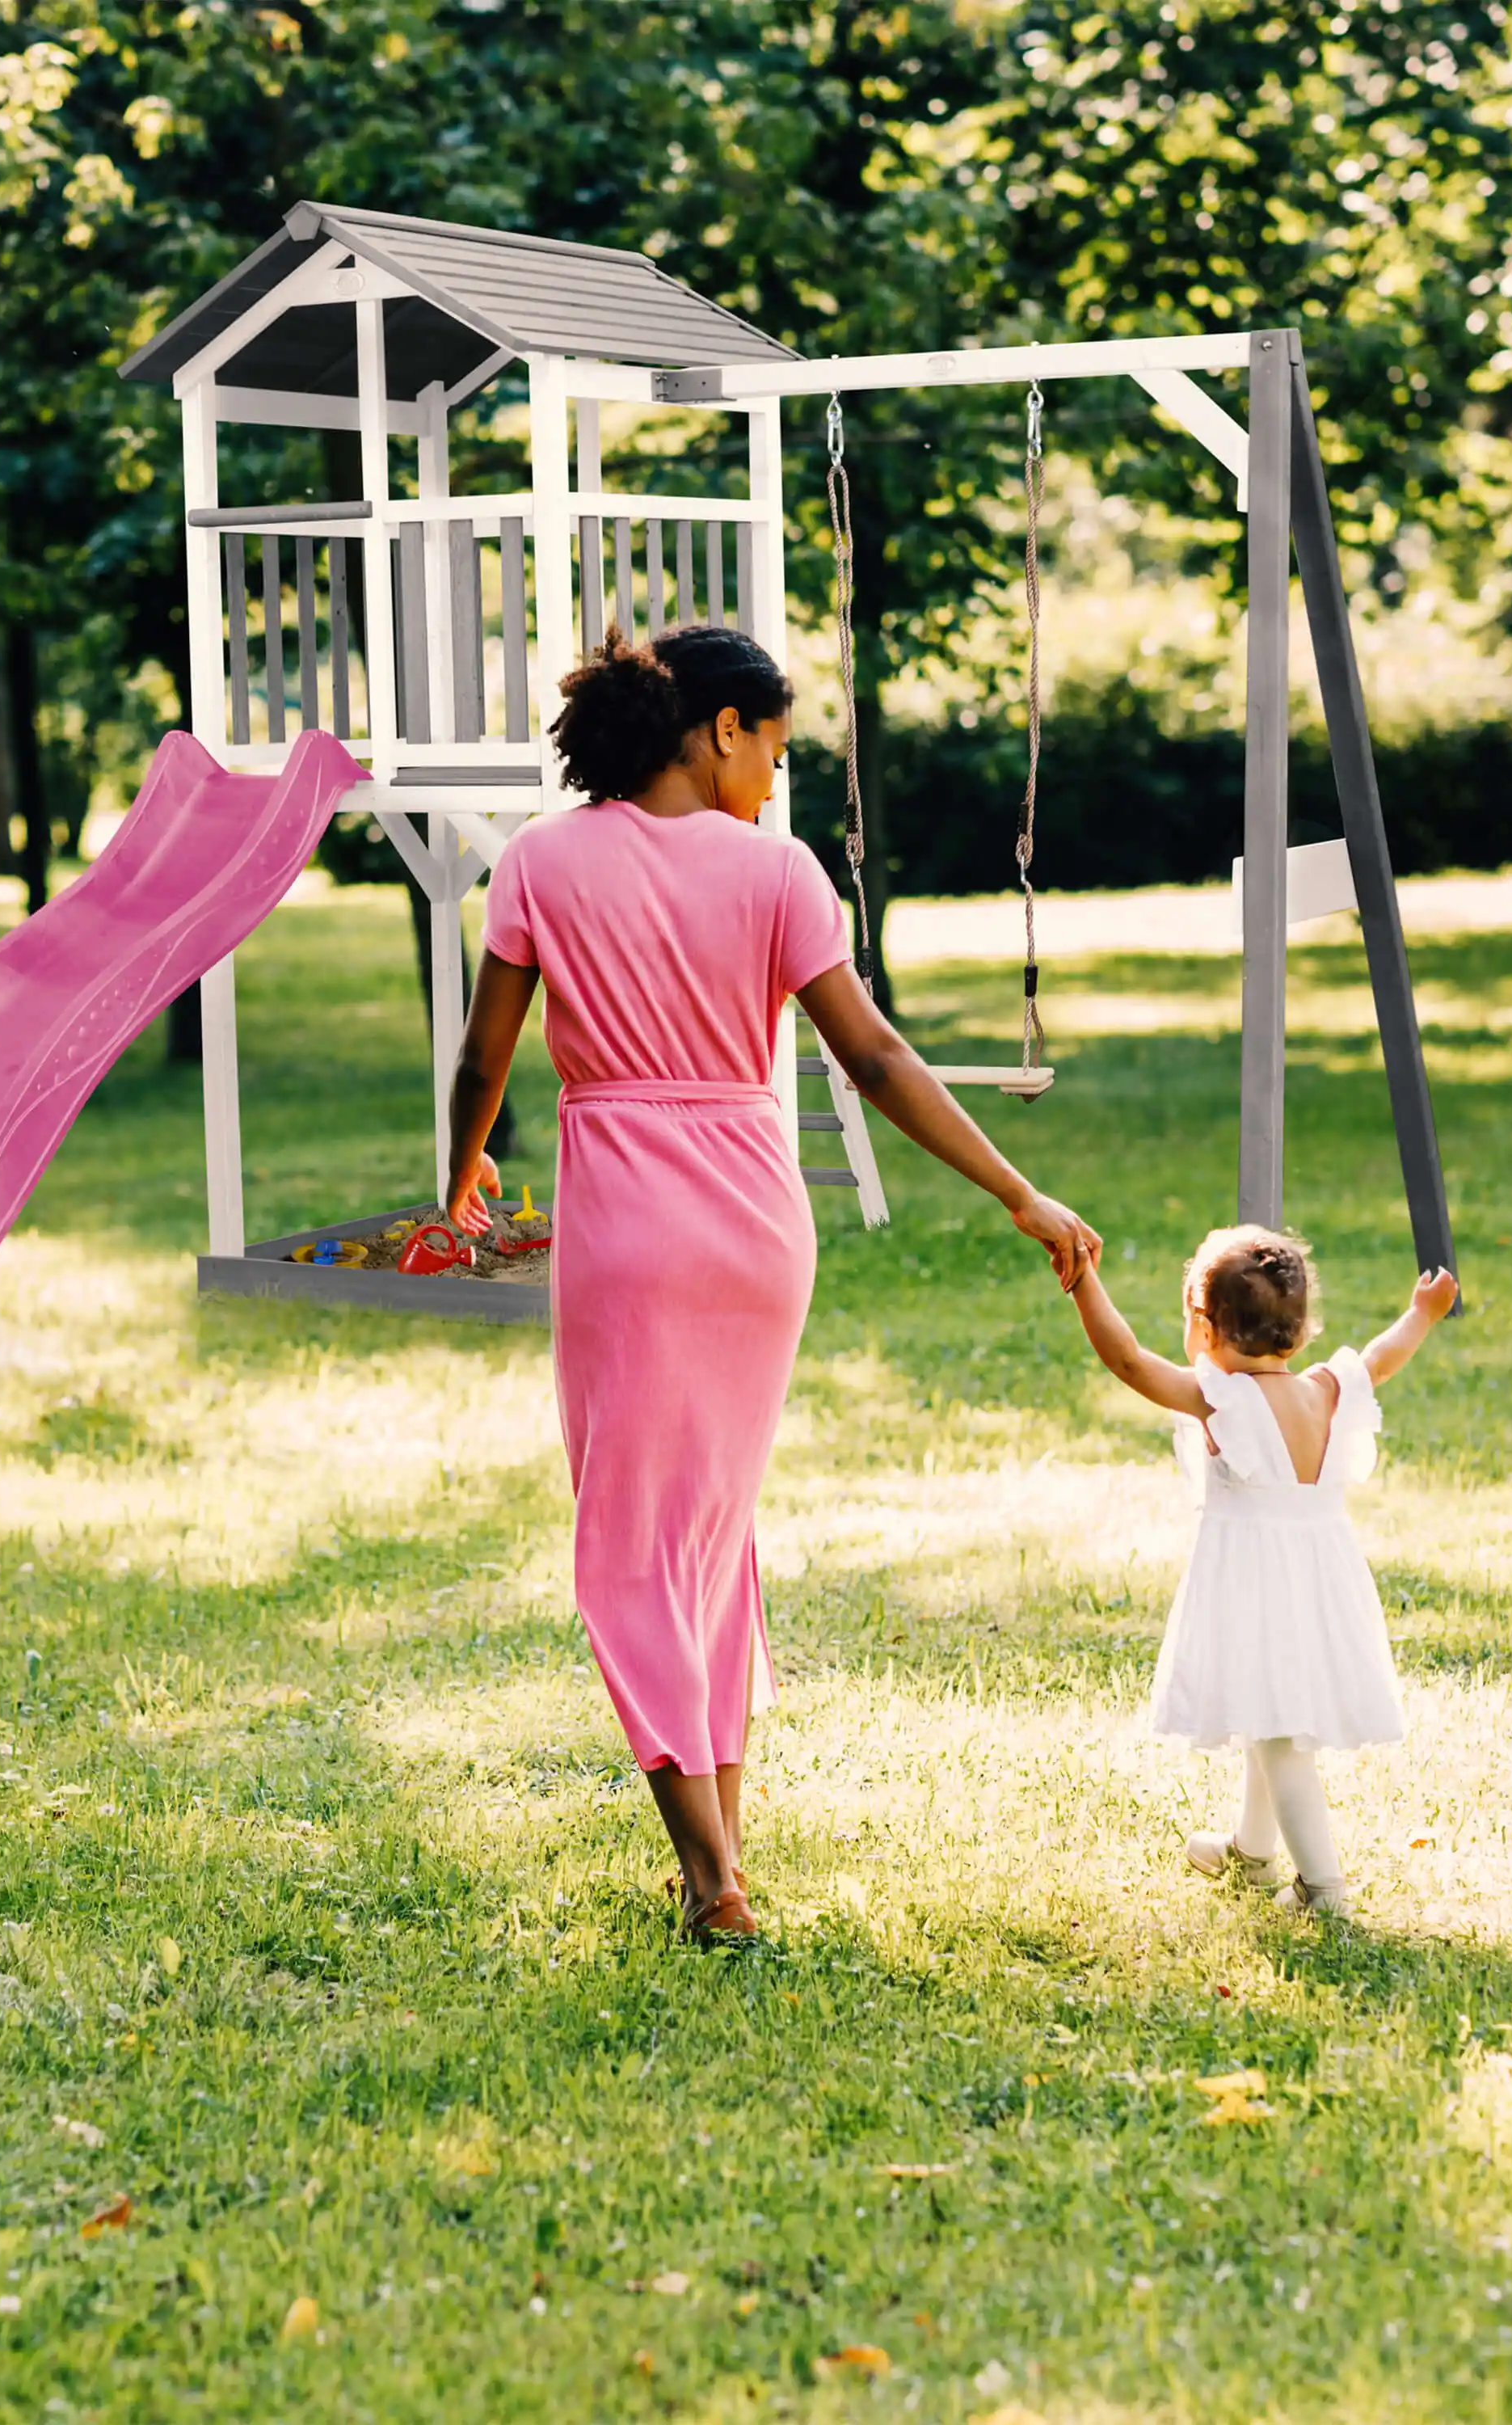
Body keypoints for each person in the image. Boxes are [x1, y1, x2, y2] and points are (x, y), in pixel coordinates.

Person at [442, 626, 1099, 1944]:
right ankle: (722, 1854)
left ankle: (709, 1877)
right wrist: (1016, 1189)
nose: (775, 779)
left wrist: (456, 1181)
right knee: (708, 1535)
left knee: (632, 1545)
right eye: (774, 750)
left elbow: (484, 1060)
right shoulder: (779, 874)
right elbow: (877, 1059)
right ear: (718, 728)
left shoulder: (540, 862)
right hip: (754, 1226)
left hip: (626, 1226)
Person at [1066, 1224, 1460, 1914]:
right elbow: (1381, 1356)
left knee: (1280, 1738)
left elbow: (1128, 1361)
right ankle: (1252, 1852)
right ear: (1301, 1332)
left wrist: (1083, 1281)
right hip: (1319, 1581)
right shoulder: (1327, 1389)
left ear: (1205, 1327)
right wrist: (1421, 1314)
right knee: (1265, 1709)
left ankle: (1324, 1889)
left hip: (1257, 1585)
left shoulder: (1222, 1400)